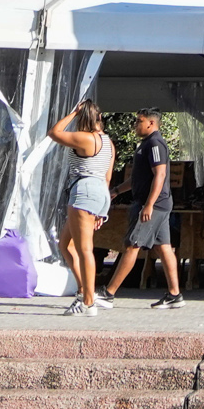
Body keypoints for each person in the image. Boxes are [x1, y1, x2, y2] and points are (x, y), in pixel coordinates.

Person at [103, 114, 184, 307]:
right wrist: (116, 191)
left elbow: (160, 174)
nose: (135, 125)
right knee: (164, 247)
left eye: (139, 121)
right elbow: (138, 178)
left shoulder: (155, 144)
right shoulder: (146, 144)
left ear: (151, 123)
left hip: (154, 204)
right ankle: (175, 295)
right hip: (156, 203)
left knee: (133, 245)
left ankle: (108, 293)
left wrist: (149, 204)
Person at [47, 101, 115, 315]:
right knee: (65, 244)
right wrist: (102, 209)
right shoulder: (108, 142)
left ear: (82, 118)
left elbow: (54, 132)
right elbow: (107, 176)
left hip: (84, 190)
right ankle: (84, 290)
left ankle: (88, 302)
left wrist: (72, 113)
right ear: (100, 117)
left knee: (84, 249)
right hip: (99, 192)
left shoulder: (84, 138)